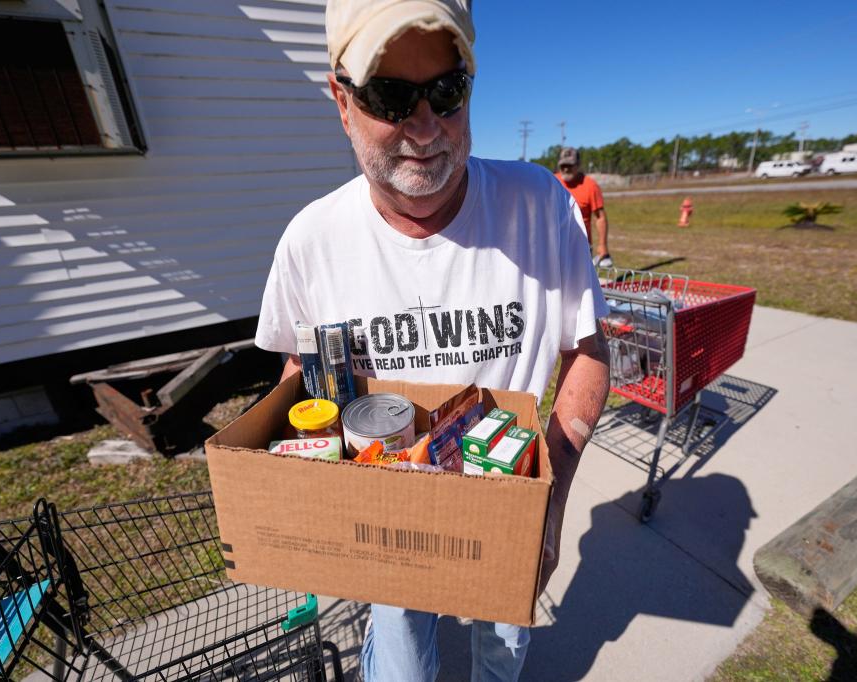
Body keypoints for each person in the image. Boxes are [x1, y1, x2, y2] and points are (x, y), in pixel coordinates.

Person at [254, 1, 610, 679]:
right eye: (391, 95)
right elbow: (300, 373)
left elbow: (589, 352)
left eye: (446, 93)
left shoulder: (540, 205)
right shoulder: (311, 240)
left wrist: (551, 500)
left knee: (501, 657)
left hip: (508, 512)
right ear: (342, 100)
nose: (424, 127)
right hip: (389, 525)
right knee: (404, 668)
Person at [555, 147, 612, 268]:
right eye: (563, 165)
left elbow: (600, 217)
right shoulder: (552, 182)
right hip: (554, 245)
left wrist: (602, 245)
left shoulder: (590, 186)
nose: (565, 169)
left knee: (579, 286)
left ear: (578, 165)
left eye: (570, 165)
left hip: (580, 248)